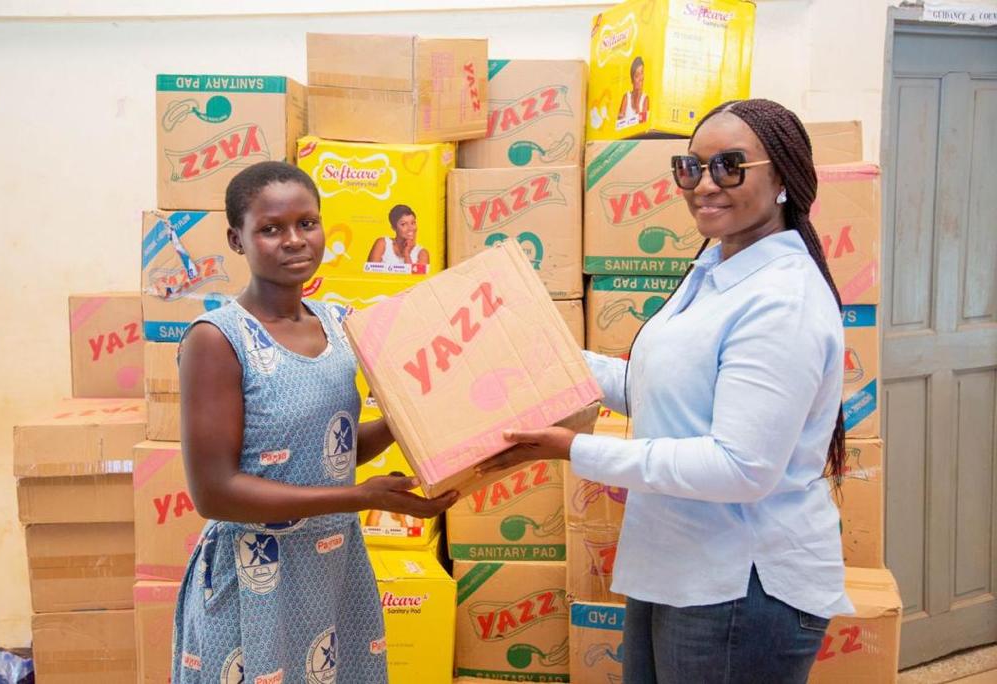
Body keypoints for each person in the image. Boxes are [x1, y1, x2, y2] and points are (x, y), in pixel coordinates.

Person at [481, 99, 853, 683]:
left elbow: (740, 466)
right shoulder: (715, 270)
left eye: (729, 166)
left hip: (740, 584)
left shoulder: (783, 300)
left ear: (782, 176)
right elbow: (659, 390)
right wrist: (541, 355)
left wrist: (570, 449)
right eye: (691, 167)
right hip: (679, 567)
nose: (704, 184)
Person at [171, 161, 458, 683]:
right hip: (258, 573)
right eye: (271, 229)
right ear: (237, 240)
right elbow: (215, 493)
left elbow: (334, 449)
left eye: (307, 223)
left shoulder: (338, 322)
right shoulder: (217, 340)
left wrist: (414, 415)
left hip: (334, 568)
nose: (294, 240)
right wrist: (363, 498)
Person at [365, 204, 429, 270]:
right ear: (394, 227)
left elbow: (418, 279)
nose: (410, 228)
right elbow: (370, 273)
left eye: (413, 223)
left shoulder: (422, 254)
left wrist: (406, 254)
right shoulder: (382, 244)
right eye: (403, 224)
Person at [616, 56, 649, 128]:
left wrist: (637, 106)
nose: (641, 78)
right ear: (632, 80)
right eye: (637, 75)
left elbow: (643, 126)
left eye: (642, 73)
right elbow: (619, 124)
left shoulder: (645, 99)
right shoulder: (626, 97)